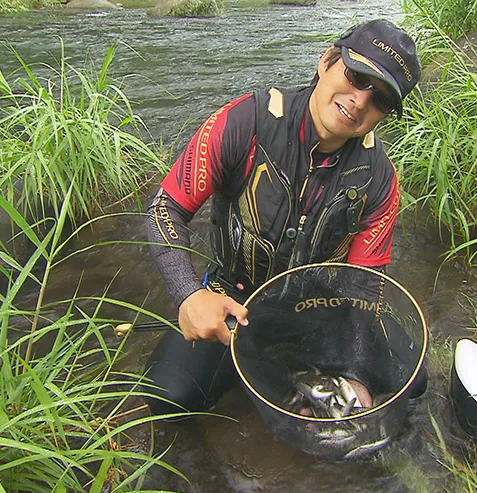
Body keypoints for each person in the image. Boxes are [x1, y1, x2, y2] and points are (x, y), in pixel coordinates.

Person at [144, 18, 424, 416]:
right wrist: (189, 294)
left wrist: (356, 374)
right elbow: (163, 209)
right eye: (357, 76)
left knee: (411, 380)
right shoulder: (243, 122)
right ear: (327, 60)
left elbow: (363, 288)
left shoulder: (380, 179)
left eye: (380, 98)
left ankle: (297, 371)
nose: (360, 100)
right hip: (235, 300)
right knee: (171, 395)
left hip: (321, 308)